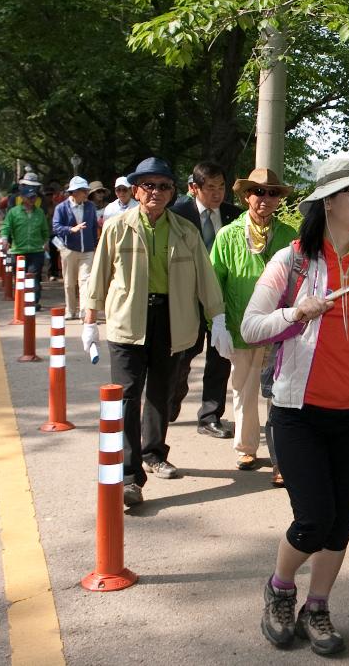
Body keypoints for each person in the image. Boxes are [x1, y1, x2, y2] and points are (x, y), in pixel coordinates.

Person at [241, 154, 349, 657]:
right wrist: (297, 312)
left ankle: (318, 605)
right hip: (299, 413)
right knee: (313, 518)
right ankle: (280, 587)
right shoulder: (291, 261)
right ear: (328, 201)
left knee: (342, 522)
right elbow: (252, 327)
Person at [82, 157, 231, 507]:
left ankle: (154, 452)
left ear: (172, 192)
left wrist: (218, 318)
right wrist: (90, 320)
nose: (156, 192)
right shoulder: (117, 227)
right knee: (128, 395)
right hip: (127, 321)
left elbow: (205, 281)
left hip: (171, 319)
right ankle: (130, 475)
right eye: (149, 185)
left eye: (164, 186)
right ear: (136, 190)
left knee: (161, 393)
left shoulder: (185, 231)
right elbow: (100, 273)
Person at [210, 168, 298, 473]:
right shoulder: (227, 235)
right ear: (247, 196)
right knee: (244, 390)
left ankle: (282, 455)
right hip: (240, 325)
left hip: (280, 326)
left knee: (280, 392)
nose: (266, 198)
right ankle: (246, 448)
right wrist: (216, 322)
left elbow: (300, 280)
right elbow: (214, 282)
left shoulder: (289, 236)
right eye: (259, 192)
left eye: (273, 193)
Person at [170, 161, 243, 438]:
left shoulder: (234, 216)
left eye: (221, 186)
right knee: (181, 356)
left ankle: (210, 416)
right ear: (193, 188)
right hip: (186, 299)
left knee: (219, 358)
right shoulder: (177, 215)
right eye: (210, 187)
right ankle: (171, 397)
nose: (217, 193)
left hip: (221, 299)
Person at [52, 176, 99, 320]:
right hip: (69, 249)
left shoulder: (90, 206)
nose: (86, 193)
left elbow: (93, 226)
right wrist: (71, 229)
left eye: (86, 191)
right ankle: (70, 310)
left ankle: (84, 312)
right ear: (74, 192)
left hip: (88, 250)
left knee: (86, 281)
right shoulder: (61, 207)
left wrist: (95, 244)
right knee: (69, 283)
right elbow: (56, 227)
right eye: (83, 191)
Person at [0, 175, 50, 309]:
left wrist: (46, 242)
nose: (32, 199)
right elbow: (6, 226)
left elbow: (45, 229)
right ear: (22, 197)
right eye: (29, 197)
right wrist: (5, 240)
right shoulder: (13, 210)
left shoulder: (40, 210)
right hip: (18, 251)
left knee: (33, 276)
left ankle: (33, 302)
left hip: (36, 250)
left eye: (34, 196)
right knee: (20, 277)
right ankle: (21, 300)